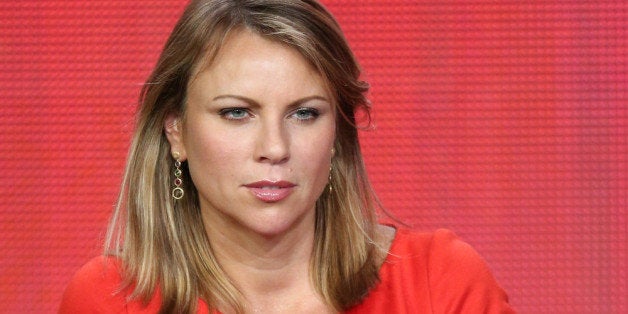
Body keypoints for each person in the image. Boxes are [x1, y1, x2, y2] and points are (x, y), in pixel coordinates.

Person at [60, 0, 515, 313]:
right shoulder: (110, 299)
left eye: (304, 114)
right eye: (236, 112)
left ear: (337, 132)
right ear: (175, 130)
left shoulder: (440, 283)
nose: (275, 149)